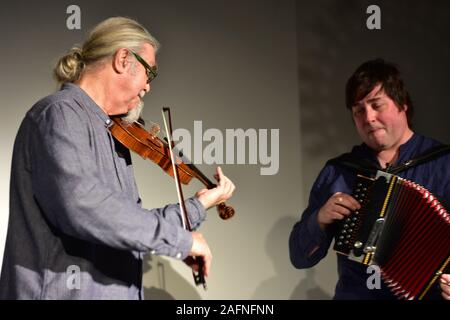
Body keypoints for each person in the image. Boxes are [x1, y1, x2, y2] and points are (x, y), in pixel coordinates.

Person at [0, 17, 235, 299]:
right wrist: (181, 241)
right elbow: (84, 206)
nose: (148, 87)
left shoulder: (113, 135)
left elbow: (124, 221)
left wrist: (200, 204)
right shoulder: (60, 115)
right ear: (123, 59)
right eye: (151, 73)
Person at [289, 58, 450, 299]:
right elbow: (300, 257)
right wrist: (319, 220)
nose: (369, 118)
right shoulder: (340, 171)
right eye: (358, 111)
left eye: (377, 105)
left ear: (402, 103)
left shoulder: (443, 163)